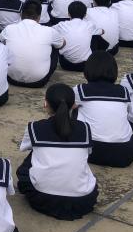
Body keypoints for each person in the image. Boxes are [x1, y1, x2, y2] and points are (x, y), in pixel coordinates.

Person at [16, 84, 98, 220]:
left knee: (29, 161)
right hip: (82, 201)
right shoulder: (84, 128)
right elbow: (88, 153)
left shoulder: (35, 128)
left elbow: (24, 147)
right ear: (74, 106)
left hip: (42, 198)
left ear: (45, 104)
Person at [74, 51, 133, 167]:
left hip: (91, 150)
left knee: (71, 109)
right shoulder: (123, 91)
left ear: (87, 70)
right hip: (124, 152)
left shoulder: (81, 90)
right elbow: (129, 113)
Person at [0, 0, 65, 88]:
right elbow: (62, 44)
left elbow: (2, 42)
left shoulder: (9, 29)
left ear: (21, 14)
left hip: (11, 79)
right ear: (39, 17)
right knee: (55, 45)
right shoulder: (49, 31)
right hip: (38, 82)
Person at [54, 1, 106, 71]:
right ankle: (99, 58)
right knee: (96, 36)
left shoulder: (62, 25)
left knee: (54, 38)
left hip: (65, 65)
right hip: (85, 65)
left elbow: (49, 30)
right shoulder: (89, 25)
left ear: (68, 14)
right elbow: (102, 31)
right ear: (85, 15)